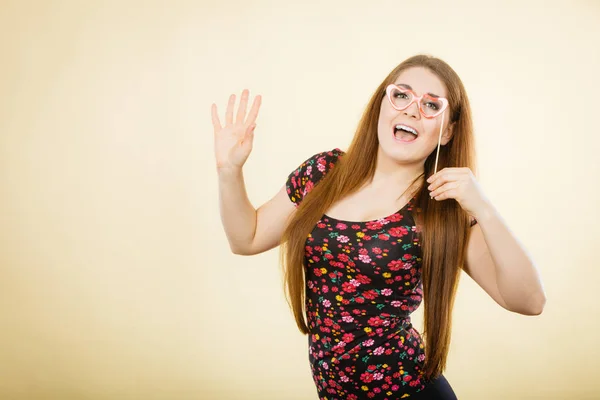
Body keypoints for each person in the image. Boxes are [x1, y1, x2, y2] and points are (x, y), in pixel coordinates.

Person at [212, 54, 546, 399]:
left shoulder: (441, 209)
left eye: (431, 105)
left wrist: (484, 208)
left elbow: (529, 301)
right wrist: (228, 171)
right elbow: (246, 238)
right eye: (401, 95)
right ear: (382, 106)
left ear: (446, 132)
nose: (412, 110)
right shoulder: (323, 173)